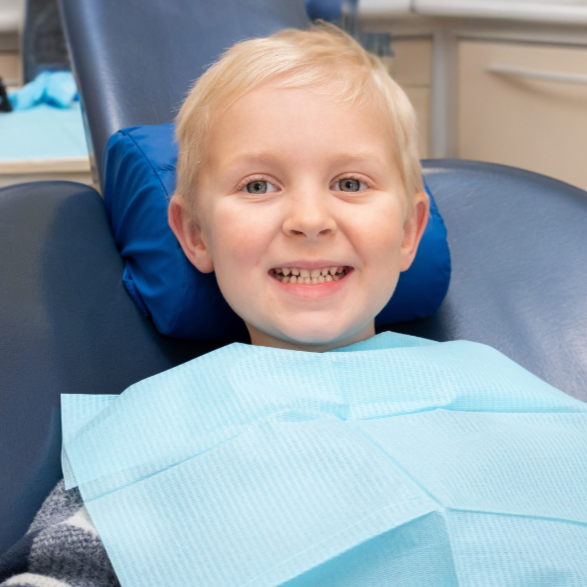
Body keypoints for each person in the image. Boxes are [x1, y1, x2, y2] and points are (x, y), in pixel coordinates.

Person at [1, 23, 585, 587]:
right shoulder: (151, 440)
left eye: (351, 184)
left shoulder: (522, 402)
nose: (309, 220)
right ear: (195, 234)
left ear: (409, 230)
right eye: (259, 185)